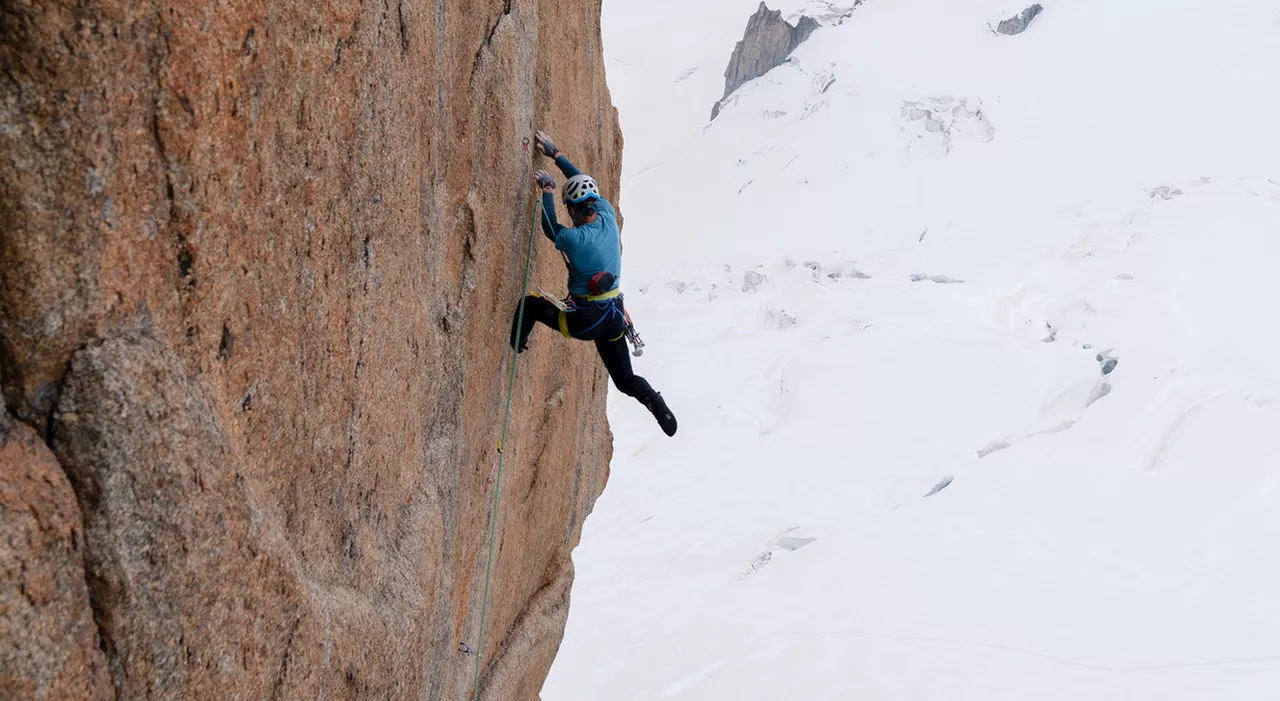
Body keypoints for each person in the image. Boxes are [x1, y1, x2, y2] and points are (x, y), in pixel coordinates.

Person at [509, 130, 677, 437]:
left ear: (572, 209)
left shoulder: (575, 239)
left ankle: (517, 346)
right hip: (613, 319)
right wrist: (555, 152)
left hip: (583, 323)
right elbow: (584, 182)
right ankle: (654, 401)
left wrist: (547, 190)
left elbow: (550, 227)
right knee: (626, 381)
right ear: (593, 203)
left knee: (529, 305)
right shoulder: (607, 214)